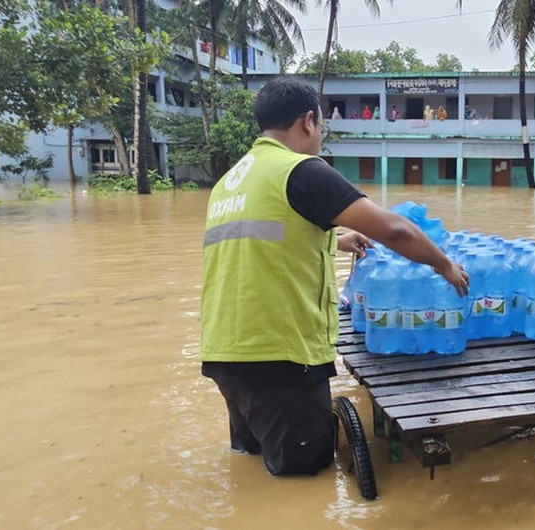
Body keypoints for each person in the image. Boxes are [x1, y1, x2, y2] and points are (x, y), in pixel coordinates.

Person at [200, 76, 469, 476]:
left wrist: (336, 240)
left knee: (254, 467)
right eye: (321, 126)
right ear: (308, 121)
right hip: (279, 357)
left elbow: (267, 242)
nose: (319, 136)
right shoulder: (301, 170)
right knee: (303, 480)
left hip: (227, 352)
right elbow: (393, 229)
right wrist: (444, 265)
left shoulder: (231, 181)